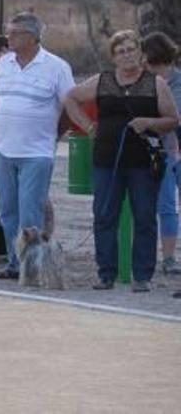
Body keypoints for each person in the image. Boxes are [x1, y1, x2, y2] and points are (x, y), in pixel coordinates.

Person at [64, 30, 178, 292]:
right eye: (120, 51)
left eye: (130, 49)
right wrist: (88, 127)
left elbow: (173, 120)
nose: (126, 55)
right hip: (107, 160)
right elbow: (70, 98)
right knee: (104, 216)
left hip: (143, 162)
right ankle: (106, 274)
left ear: (140, 52)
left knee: (145, 217)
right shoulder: (102, 80)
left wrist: (149, 122)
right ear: (114, 57)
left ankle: (142, 276)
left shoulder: (156, 83)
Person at [0, 12, 75, 280]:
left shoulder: (57, 66)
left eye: (13, 33)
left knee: (29, 213)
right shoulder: (3, 63)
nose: (8, 37)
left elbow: (70, 106)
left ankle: (32, 268)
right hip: (3, 149)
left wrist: (53, 136)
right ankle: (15, 263)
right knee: (7, 211)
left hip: (36, 153)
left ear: (32, 36)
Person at [139, 32, 181, 276]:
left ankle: (169, 258)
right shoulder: (146, 82)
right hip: (158, 152)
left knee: (168, 207)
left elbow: (172, 117)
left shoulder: (176, 82)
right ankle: (163, 258)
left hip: (175, 150)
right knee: (163, 205)